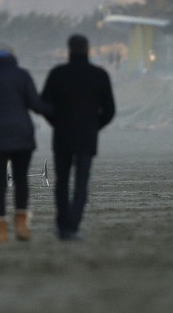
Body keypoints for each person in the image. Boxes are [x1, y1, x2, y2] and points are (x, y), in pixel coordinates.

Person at [0, 43, 51, 243]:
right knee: (21, 179)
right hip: (21, 135)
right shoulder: (22, 75)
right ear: (13, 58)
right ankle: (22, 225)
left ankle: (0, 229)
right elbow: (36, 105)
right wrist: (58, 112)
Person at [40, 34, 116, 241]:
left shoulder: (58, 74)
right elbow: (109, 110)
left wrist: (56, 122)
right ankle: (73, 225)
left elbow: (43, 104)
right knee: (82, 182)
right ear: (88, 49)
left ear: (69, 49)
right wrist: (94, 126)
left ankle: (63, 225)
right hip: (87, 137)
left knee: (62, 182)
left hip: (62, 136)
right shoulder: (99, 75)